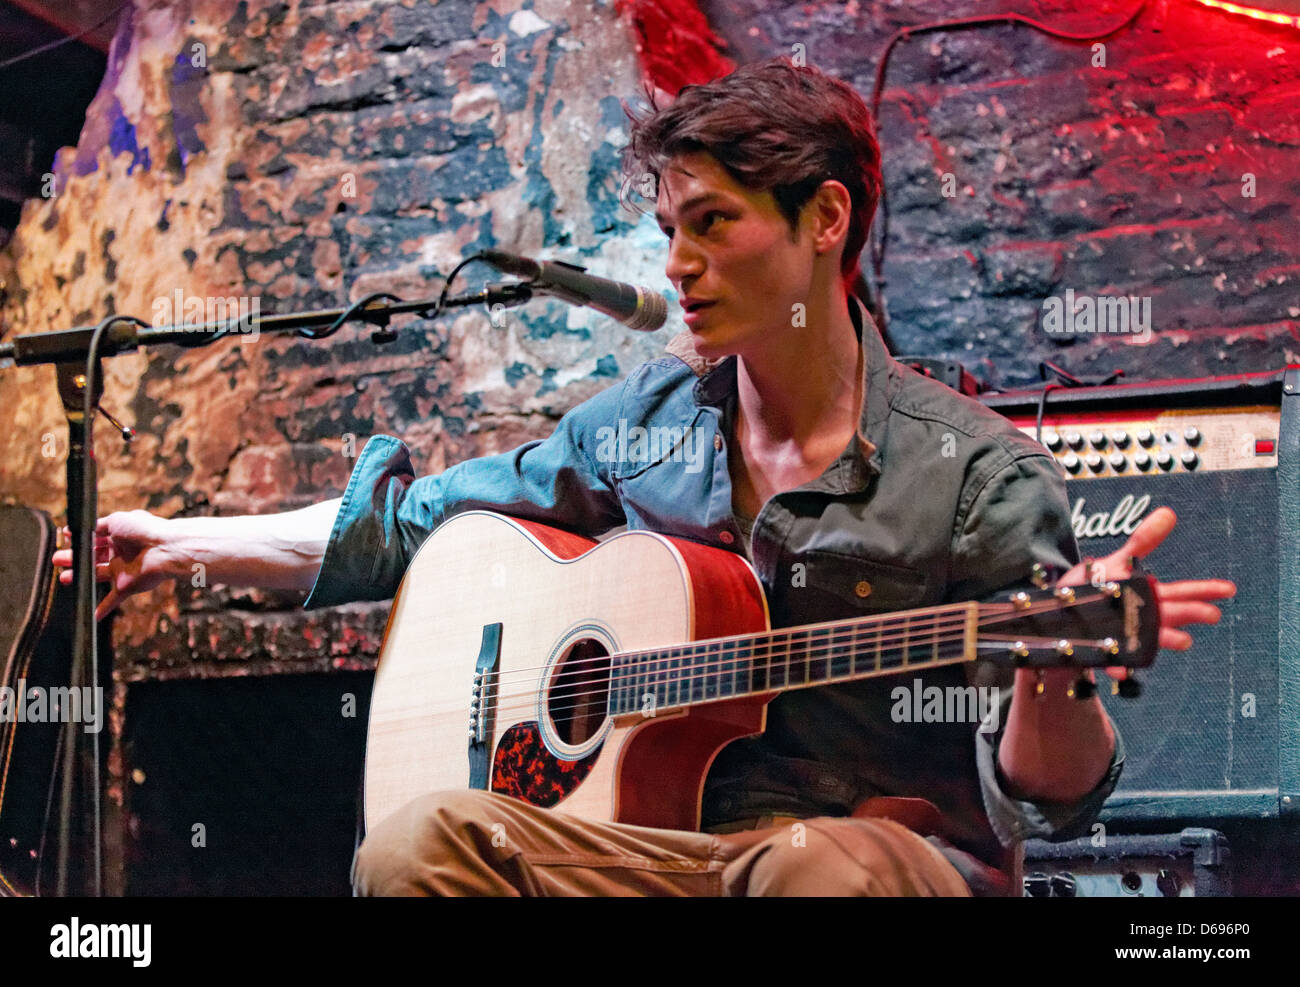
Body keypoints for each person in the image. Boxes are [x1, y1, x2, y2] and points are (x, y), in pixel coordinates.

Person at [52, 58, 1234, 896]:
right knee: (421, 844)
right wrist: (189, 543)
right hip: (653, 851)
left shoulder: (979, 476)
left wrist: (1059, 679)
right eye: (670, 224)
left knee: (818, 871)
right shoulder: (646, 426)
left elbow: (1051, 800)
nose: (678, 262)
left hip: (871, 857)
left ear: (824, 219)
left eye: (714, 223)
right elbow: (412, 529)